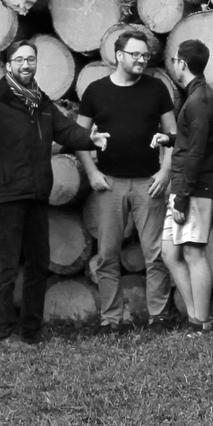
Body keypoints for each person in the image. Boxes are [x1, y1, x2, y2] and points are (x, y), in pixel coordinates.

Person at [0, 41, 104, 344]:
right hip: (6, 196)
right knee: (6, 266)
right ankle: (3, 332)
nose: (26, 65)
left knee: (38, 264)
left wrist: (89, 139)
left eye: (31, 59)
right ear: (8, 66)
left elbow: (65, 129)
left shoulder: (41, 102)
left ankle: (30, 331)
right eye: (19, 60)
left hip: (37, 194)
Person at [77, 27, 177, 329]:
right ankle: (110, 320)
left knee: (155, 254)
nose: (142, 60)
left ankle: (159, 316)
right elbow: (79, 137)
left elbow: (173, 135)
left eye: (145, 55)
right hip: (109, 183)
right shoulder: (95, 91)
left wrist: (165, 171)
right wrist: (92, 172)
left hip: (149, 182)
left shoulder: (156, 89)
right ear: (119, 56)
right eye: (136, 54)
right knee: (107, 255)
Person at [160, 40, 213, 334]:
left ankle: (201, 321)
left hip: (195, 189)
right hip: (183, 186)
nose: (174, 64)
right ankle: (195, 317)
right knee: (169, 253)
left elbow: (197, 153)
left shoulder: (200, 100)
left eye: (175, 60)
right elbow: (193, 141)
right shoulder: (197, 96)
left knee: (193, 253)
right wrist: (171, 140)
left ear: (182, 64)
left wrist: (182, 199)